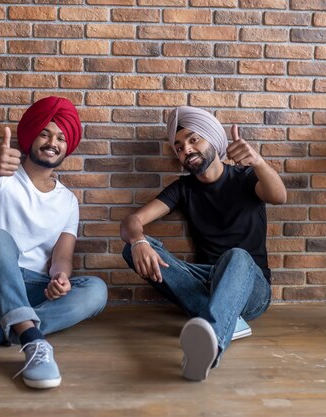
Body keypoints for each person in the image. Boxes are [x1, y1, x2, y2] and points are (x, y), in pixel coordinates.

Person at [120, 106, 286, 381]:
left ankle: (213, 340)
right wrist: (138, 241)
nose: (186, 149)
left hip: (252, 288)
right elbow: (132, 222)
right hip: (206, 282)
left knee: (237, 256)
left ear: (213, 139)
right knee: (132, 248)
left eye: (194, 139)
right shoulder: (183, 189)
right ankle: (226, 322)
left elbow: (279, 196)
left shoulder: (245, 177)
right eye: (179, 147)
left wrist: (257, 162)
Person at [0, 96, 108, 389]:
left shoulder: (67, 201)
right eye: (45, 133)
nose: (53, 142)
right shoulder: (3, 176)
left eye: (61, 138)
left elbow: (62, 256)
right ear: (31, 136)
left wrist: (59, 277)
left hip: (29, 291)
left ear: (67, 147)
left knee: (96, 290)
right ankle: (32, 341)